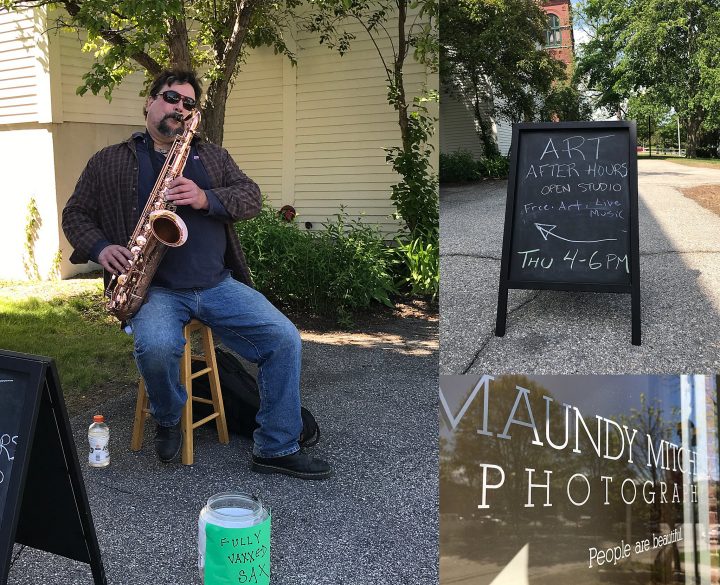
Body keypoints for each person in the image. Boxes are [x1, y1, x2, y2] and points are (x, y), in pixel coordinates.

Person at [62, 69, 331, 480]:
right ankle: (169, 417)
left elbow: (251, 197)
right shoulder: (110, 160)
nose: (180, 108)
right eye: (172, 98)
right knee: (154, 346)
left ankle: (276, 448)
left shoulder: (214, 156)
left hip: (217, 284)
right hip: (155, 291)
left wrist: (207, 197)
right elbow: (76, 214)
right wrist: (101, 248)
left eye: (189, 104)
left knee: (284, 339)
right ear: (149, 102)